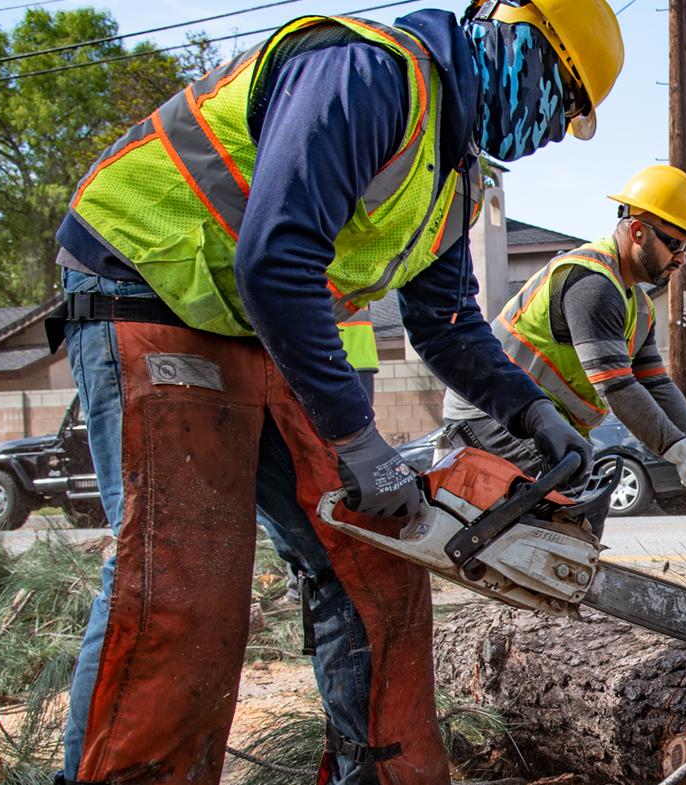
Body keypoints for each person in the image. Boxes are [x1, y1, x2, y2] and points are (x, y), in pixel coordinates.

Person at [45, 1, 625, 782]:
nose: (553, 131)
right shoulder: (370, 73)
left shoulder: (450, 172)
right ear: (515, 39)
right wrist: (359, 442)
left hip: (251, 320)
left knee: (375, 560)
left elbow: (448, 322)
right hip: (144, 276)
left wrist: (532, 411)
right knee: (186, 582)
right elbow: (277, 258)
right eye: (560, 100)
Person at [441, 164, 686, 528]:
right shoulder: (592, 284)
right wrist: (680, 453)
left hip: (531, 418)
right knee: (566, 511)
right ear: (638, 230)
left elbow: (655, 384)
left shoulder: (638, 305)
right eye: (675, 243)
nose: (681, 258)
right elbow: (615, 385)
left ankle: (565, 579)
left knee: (583, 507)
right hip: (491, 413)